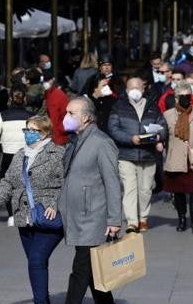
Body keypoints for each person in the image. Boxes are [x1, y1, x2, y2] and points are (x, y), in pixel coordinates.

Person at [0, 115, 65, 304]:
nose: (28, 133)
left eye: (33, 130)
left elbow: (67, 183)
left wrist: (55, 204)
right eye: (26, 129)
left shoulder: (58, 153)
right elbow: (7, 182)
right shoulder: (20, 154)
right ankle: (42, 299)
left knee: (36, 260)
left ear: (45, 133)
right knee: (35, 263)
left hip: (49, 216)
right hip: (24, 217)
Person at [58, 97, 122, 304]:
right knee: (95, 275)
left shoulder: (101, 142)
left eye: (71, 113)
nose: (66, 117)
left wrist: (114, 219)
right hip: (78, 217)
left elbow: (113, 183)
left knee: (80, 271)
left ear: (86, 117)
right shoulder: (76, 140)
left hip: (92, 219)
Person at [107, 77, 166, 233]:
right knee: (130, 188)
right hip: (126, 154)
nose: (135, 90)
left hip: (148, 155)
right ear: (126, 90)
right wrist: (130, 139)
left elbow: (163, 127)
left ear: (143, 89)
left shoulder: (152, 106)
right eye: (131, 88)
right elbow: (113, 129)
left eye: (138, 87)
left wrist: (157, 137)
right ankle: (132, 222)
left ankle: (143, 219)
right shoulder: (119, 106)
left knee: (146, 189)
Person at [163, 83, 193, 233]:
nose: (185, 99)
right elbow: (163, 136)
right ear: (175, 97)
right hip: (176, 157)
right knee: (178, 191)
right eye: (182, 96)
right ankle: (182, 218)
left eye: (188, 96)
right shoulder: (168, 115)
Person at [0, 85, 35, 181]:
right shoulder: (32, 117)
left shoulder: (2, 115)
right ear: (24, 99)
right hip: (26, 156)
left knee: (7, 181)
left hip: (7, 156)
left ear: (10, 99)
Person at [84, 54, 120, 132]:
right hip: (96, 116)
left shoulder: (118, 81)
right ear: (100, 67)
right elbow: (83, 98)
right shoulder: (92, 80)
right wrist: (95, 95)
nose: (106, 67)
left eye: (109, 65)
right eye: (104, 65)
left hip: (112, 116)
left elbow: (122, 98)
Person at [42, 70, 69, 145]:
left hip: (59, 137)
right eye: (44, 81)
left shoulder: (58, 95)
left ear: (53, 79)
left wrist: (60, 131)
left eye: (47, 80)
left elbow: (64, 116)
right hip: (53, 136)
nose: (45, 83)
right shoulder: (47, 94)